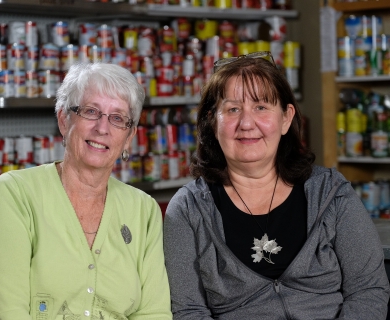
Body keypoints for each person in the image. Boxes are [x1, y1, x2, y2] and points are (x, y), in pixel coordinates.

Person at [163, 51, 390, 319]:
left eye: (261, 107)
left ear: (285, 118)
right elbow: (188, 311)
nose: (247, 124)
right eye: (233, 109)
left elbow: (368, 290)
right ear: (213, 122)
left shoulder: (330, 192)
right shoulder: (189, 209)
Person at [0, 62, 172, 319]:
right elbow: (6, 313)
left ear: (129, 136)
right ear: (64, 120)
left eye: (117, 118)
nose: (103, 128)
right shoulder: (14, 194)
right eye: (91, 111)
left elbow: (154, 313)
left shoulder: (144, 210)